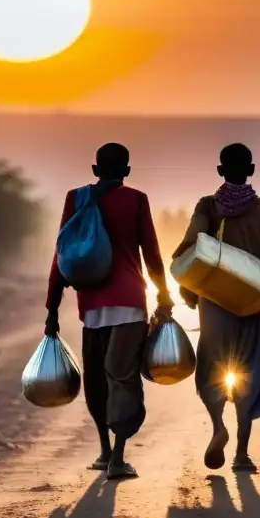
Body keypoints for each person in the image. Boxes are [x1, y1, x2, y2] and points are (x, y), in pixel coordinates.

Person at [44, 143, 174, 481]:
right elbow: (152, 253)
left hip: (91, 306)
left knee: (98, 381)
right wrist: (163, 294)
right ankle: (117, 457)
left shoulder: (76, 198)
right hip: (130, 304)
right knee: (123, 379)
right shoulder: (136, 199)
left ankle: (104, 449)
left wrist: (52, 309)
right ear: (127, 171)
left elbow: (62, 253)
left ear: (94, 168)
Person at [173, 143, 260, 473]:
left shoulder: (208, 205)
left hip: (214, 304)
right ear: (250, 171)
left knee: (211, 368)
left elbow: (192, 244)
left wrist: (187, 286)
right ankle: (242, 454)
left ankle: (217, 424)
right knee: (249, 372)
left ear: (220, 171)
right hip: (249, 303)